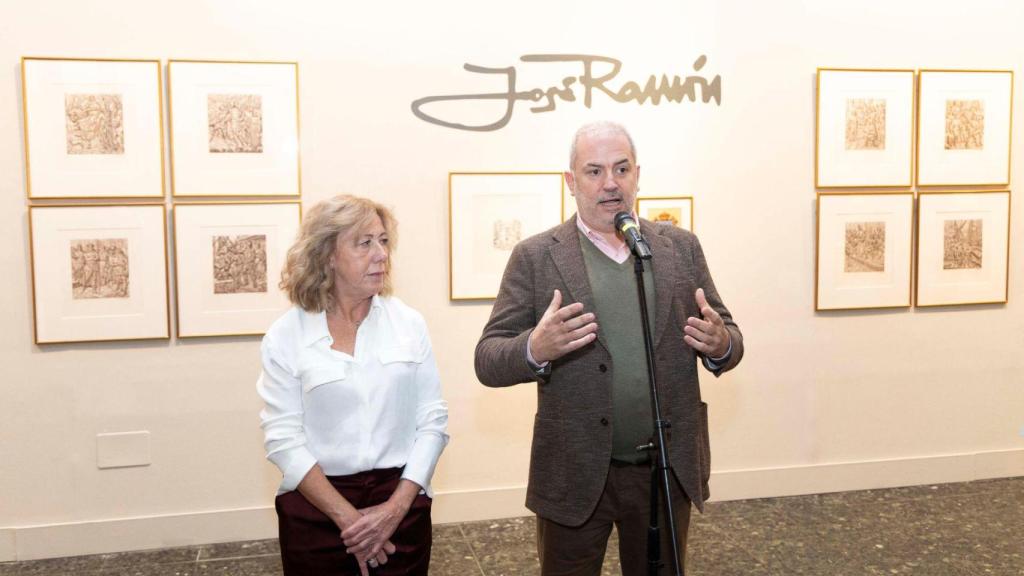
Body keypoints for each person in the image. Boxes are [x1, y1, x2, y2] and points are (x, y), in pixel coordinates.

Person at [474, 122, 743, 575]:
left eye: (621, 169)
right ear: (571, 181)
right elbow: (488, 358)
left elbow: (729, 338)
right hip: (575, 471)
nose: (610, 183)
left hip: (663, 470)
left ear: (637, 174)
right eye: (594, 171)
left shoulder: (679, 248)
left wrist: (721, 344)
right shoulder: (537, 256)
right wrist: (536, 348)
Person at [258, 195, 449, 576]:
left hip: (399, 505)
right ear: (327, 254)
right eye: (364, 243)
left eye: (383, 241)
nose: (381, 254)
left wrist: (393, 510)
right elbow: (282, 438)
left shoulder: (409, 324)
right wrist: (349, 520)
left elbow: (433, 423)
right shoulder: (286, 335)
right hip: (318, 510)